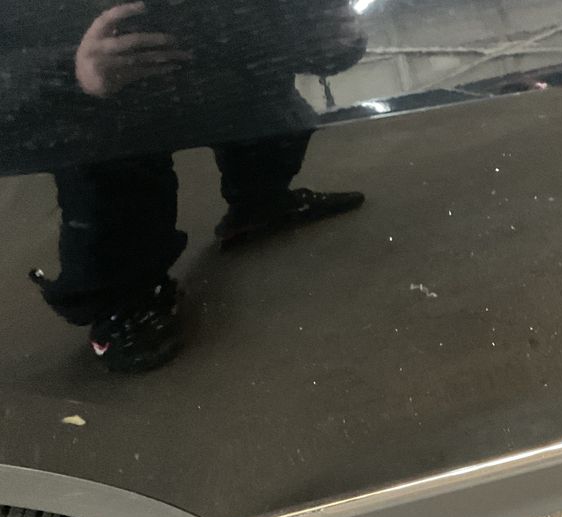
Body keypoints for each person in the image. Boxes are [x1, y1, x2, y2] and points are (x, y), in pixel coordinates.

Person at [15, 0, 367, 373]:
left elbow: (318, 48)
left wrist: (336, 32)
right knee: (109, 148)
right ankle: (124, 300)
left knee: (266, 85)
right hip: (112, 97)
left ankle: (260, 201)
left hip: (217, 67)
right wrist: (70, 72)